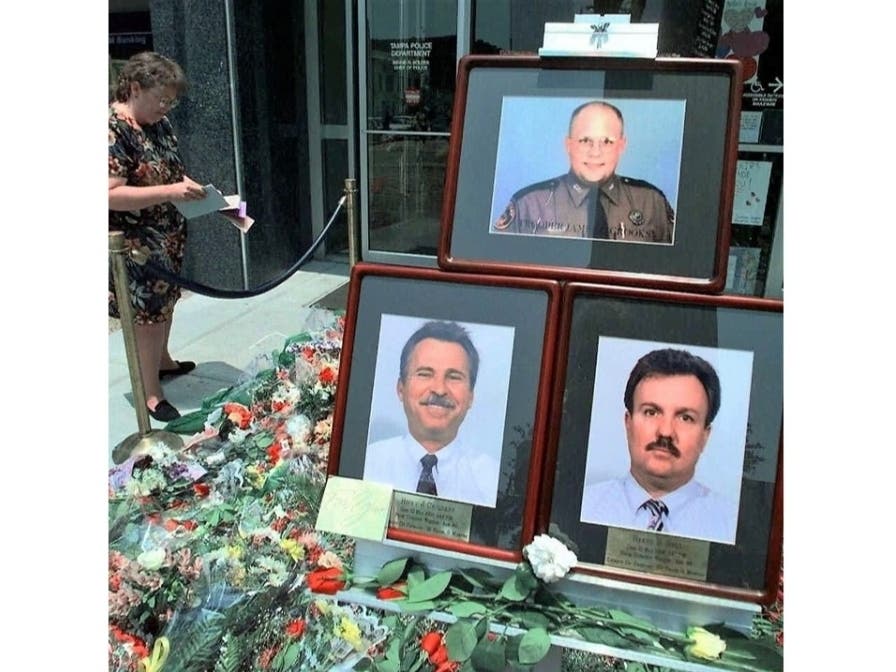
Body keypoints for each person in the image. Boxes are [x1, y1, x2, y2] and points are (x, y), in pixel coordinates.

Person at [109, 52, 206, 422]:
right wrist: (170, 192)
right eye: (161, 99)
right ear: (134, 88)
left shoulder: (157, 123)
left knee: (165, 304)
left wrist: (189, 189)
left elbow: (168, 172)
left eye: (172, 101)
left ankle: (162, 361)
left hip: (167, 236)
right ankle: (149, 392)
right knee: (145, 317)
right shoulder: (113, 128)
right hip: (136, 245)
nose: (167, 108)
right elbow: (108, 193)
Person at [580, 348, 739, 544]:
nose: (665, 431)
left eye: (685, 417)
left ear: (705, 436)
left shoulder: (731, 526)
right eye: (651, 412)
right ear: (628, 423)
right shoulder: (585, 506)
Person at [492, 101, 674, 243]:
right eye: (585, 140)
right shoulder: (529, 204)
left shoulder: (652, 202)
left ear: (622, 146)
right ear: (568, 145)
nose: (595, 152)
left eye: (607, 142)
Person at [363, 321, 500, 508]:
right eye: (425, 374)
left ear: (470, 397)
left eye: (453, 377)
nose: (439, 389)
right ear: (400, 389)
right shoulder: (366, 465)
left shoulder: (493, 482)